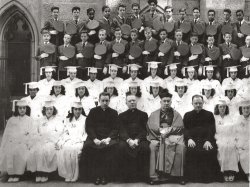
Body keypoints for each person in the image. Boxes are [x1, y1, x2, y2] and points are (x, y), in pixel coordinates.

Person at [147, 89, 185, 185]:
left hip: (173, 136)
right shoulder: (154, 114)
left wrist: (169, 131)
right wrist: (161, 132)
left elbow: (179, 126)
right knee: (153, 146)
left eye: (168, 101)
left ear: (171, 102)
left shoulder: (176, 114)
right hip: (157, 136)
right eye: (164, 101)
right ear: (160, 102)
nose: (166, 103)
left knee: (181, 147)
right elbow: (151, 126)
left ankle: (177, 176)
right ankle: (154, 176)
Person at [80, 92, 119, 185]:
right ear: (99, 101)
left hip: (109, 137)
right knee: (88, 147)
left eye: (107, 100)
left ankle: (106, 176)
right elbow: (89, 127)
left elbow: (116, 128)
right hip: (95, 137)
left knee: (112, 148)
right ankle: (95, 176)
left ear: (109, 101)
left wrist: (109, 138)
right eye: (103, 101)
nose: (105, 103)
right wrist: (94, 139)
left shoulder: (114, 112)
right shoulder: (93, 111)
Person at [183, 95, 222, 183]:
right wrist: (189, 139)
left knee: (209, 150)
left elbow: (212, 129)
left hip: (206, 139)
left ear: (203, 103)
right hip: (192, 140)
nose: (198, 105)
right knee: (191, 151)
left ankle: (207, 178)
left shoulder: (209, 114)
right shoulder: (187, 115)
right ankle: (193, 178)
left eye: (200, 103)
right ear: (192, 104)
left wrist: (208, 140)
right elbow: (185, 129)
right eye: (196, 103)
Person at [27, 100, 64, 183]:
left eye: (51, 109)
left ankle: (45, 173)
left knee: (46, 150)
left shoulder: (57, 120)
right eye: (47, 109)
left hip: (51, 141)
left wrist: (48, 137)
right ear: (44, 110)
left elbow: (58, 132)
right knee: (36, 150)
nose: (49, 111)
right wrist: (39, 138)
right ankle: (38, 172)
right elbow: (35, 132)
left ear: (53, 110)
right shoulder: (40, 120)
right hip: (40, 141)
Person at [118, 94, 149, 182]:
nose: (132, 102)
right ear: (126, 103)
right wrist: (128, 140)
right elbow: (121, 130)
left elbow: (144, 130)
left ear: (136, 102)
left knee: (145, 148)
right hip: (126, 139)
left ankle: (143, 176)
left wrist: (137, 140)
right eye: (130, 101)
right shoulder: (121, 115)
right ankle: (125, 177)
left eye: (133, 100)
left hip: (139, 139)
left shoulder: (143, 115)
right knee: (121, 147)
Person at [0, 100, 33, 182]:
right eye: (20, 108)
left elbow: (31, 133)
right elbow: (7, 133)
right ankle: (11, 173)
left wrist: (27, 141)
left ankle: (18, 174)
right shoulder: (12, 120)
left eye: (24, 108)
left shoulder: (30, 120)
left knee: (19, 150)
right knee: (10, 149)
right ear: (17, 109)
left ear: (26, 109)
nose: (22, 110)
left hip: (24, 142)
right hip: (13, 141)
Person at [57, 101, 87, 182]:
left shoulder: (85, 119)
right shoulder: (68, 120)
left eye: (79, 109)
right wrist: (67, 139)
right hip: (69, 140)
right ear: (72, 110)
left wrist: (78, 140)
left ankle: (75, 175)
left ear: (82, 110)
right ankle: (68, 174)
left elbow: (86, 134)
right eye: (76, 109)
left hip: (79, 141)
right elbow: (65, 132)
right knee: (65, 149)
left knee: (74, 150)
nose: (77, 111)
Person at [214, 99, 238, 182]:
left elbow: (233, 130)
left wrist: (231, 138)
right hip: (219, 137)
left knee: (231, 147)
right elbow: (214, 131)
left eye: (224, 107)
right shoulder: (215, 117)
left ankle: (231, 171)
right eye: (220, 107)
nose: (222, 108)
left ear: (226, 108)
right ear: (217, 108)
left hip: (229, 137)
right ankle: (224, 171)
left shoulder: (229, 117)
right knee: (223, 147)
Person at [234, 100, 250, 182]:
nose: (246, 110)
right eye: (244, 108)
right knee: (243, 155)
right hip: (241, 143)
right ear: (241, 109)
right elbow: (236, 133)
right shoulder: (238, 119)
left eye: (248, 108)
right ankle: (248, 174)